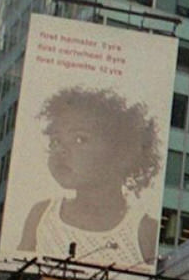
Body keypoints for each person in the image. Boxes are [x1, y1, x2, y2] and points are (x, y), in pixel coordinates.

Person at [18, 85, 162, 270]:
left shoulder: (144, 231)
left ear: (120, 152)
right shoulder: (42, 215)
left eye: (80, 139)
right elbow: (18, 276)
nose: (60, 150)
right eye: (55, 141)